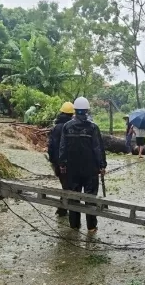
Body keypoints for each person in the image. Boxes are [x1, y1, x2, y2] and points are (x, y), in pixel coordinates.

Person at [59, 97, 107, 233]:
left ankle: (74, 226)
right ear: (87, 110)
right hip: (90, 170)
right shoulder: (93, 127)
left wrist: (62, 164)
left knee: (74, 197)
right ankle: (91, 227)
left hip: (72, 170)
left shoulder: (67, 127)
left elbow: (62, 147)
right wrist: (102, 165)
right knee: (90, 197)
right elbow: (98, 148)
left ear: (75, 110)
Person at [47, 101, 75, 217]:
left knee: (65, 185)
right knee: (68, 186)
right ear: (71, 114)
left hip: (58, 163)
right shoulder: (72, 127)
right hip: (70, 163)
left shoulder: (56, 128)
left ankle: (62, 209)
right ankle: (64, 209)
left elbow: (51, 147)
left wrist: (54, 162)